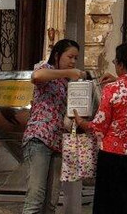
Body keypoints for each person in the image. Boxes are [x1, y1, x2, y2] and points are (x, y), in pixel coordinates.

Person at [75, 42, 127, 214]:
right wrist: (119, 79)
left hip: (114, 153)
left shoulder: (111, 89)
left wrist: (81, 123)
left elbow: (99, 125)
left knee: (111, 204)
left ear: (120, 64)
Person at [22, 39, 88, 214]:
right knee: (35, 199)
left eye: (76, 58)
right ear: (58, 55)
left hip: (58, 141)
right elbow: (36, 77)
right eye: (70, 57)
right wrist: (66, 72)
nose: (73, 61)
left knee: (50, 201)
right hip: (39, 138)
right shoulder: (47, 69)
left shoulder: (66, 82)